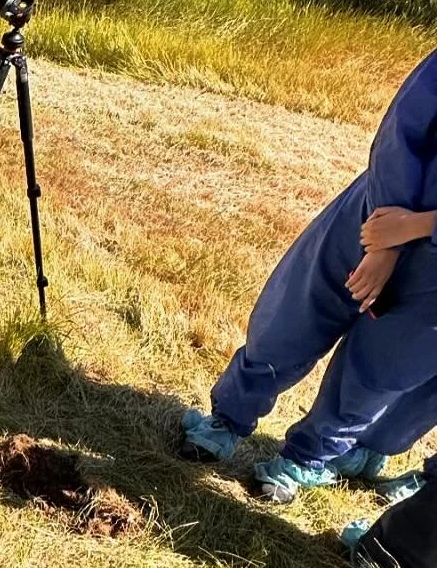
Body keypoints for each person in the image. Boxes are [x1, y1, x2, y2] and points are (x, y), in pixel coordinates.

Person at [179, 50, 437, 504]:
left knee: (380, 372)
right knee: (294, 316)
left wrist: (419, 227)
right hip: (376, 211)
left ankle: (308, 459)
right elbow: (404, 131)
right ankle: (227, 418)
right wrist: (386, 236)